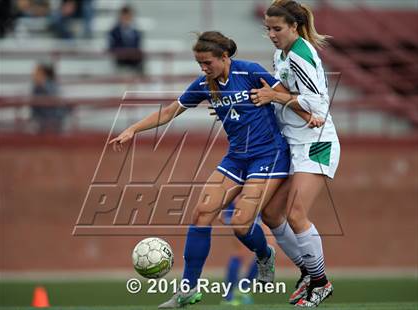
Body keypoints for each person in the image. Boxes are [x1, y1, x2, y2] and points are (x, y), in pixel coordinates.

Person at [110, 31, 320, 309]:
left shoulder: (250, 71)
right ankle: (188, 289)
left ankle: (264, 255)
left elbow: (284, 96)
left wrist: (310, 116)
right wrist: (133, 129)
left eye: (208, 62)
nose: (203, 68)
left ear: (224, 57)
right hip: (236, 158)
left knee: (241, 223)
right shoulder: (205, 84)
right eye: (199, 63)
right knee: (201, 212)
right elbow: (171, 111)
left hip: (269, 155)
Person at [251, 0, 340, 307]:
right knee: (271, 213)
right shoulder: (281, 54)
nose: (272, 35)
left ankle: (321, 282)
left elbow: (316, 107)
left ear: (293, 27)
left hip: (317, 141)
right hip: (293, 141)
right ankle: (307, 272)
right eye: (268, 29)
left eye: (277, 29)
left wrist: (273, 95)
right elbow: (284, 97)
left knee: (295, 213)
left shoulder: (302, 54)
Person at [108, 5, 144, 73]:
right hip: (120, 61)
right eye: (125, 16)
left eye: (129, 16)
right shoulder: (113, 32)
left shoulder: (136, 32)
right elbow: (112, 47)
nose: (127, 19)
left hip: (134, 62)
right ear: (121, 17)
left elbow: (138, 47)